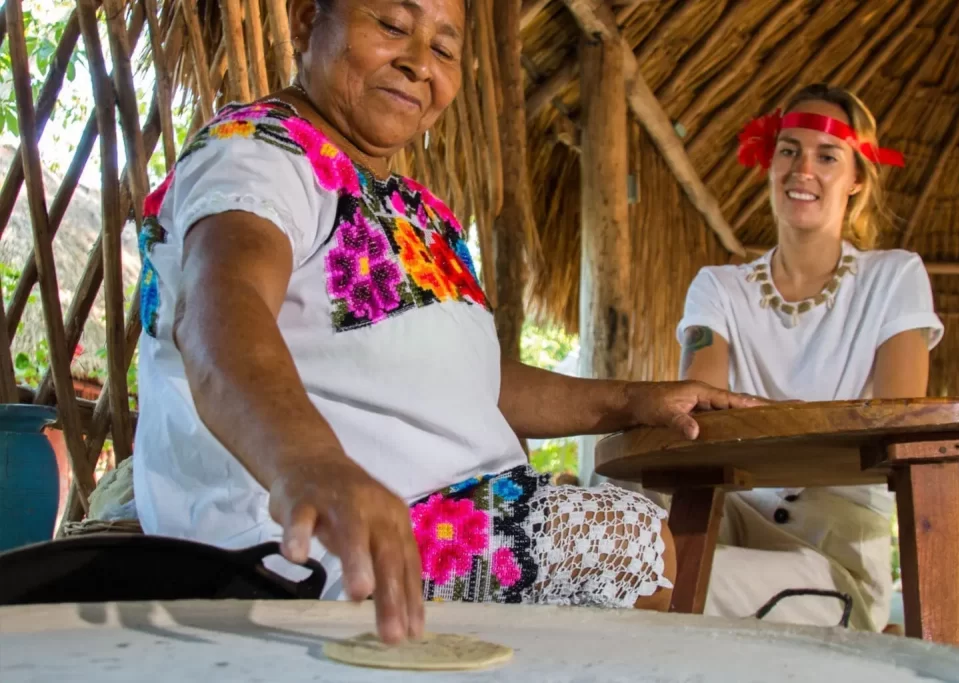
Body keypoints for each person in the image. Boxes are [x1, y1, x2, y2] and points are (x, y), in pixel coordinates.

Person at [132, 0, 763, 645]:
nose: (416, 64)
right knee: (621, 538)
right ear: (303, 22)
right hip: (308, 537)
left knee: (629, 539)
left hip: (432, 512)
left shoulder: (417, 209)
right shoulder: (260, 152)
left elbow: (473, 382)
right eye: (392, 27)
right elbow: (220, 309)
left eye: (443, 50)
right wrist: (308, 463)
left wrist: (635, 398)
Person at [677, 83, 943, 632]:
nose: (804, 168)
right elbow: (699, 418)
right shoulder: (718, 289)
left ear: (856, 180)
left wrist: (760, 426)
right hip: (729, 520)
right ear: (768, 163)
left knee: (655, 583)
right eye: (790, 150)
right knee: (619, 548)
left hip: (834, 554)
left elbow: (895, 423)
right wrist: (810, 426)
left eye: (827, 156)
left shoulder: (894, 278)